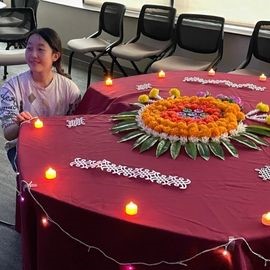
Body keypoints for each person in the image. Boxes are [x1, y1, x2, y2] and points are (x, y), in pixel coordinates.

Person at [0, 27, 81, 171]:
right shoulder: (11, 88)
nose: (33, 54)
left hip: (59, 145)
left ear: (55, 56)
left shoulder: (70, 89)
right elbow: (8, 134)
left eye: (40, 49)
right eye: (29, 48)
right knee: (34, 172)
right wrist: (20, 124)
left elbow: (76, 128)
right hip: (23, 147)